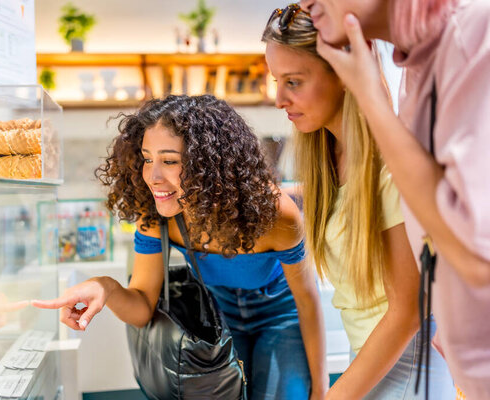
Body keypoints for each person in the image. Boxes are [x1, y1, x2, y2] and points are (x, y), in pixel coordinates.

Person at [32, 94, 328, 399]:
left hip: (280, 315)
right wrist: (105, 287)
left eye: (170, 161)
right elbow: (142, 309)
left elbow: (307, 301)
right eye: (148, 159)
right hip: (218, 314)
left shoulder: (275, 214)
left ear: (212, 166)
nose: (153, 176)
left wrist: (321, 389)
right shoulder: (156, 216)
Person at [298, 0, 490, 397]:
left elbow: (476, 253)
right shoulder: (416, 72)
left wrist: (368, 98)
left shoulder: (471, 40)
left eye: (294, 81)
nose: (304, 4)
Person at [262, 4, 454, 399]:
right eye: (276, 80)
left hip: (408, 375)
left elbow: (405, 313)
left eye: (294, 81)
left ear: (345, 73)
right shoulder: (329, 162)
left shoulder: (389, 165)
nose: (279, 98)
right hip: (368, 365)